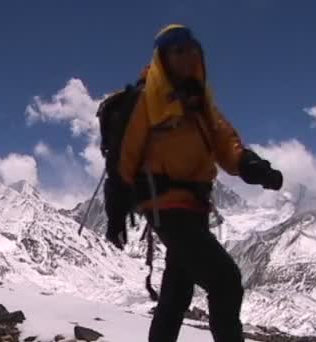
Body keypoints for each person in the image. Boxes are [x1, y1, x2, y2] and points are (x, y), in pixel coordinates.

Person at [119, 25, 283, 342]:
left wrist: (252, 166)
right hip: (166, 207)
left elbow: (225, 143)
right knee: (225, 281)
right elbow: (127, 154)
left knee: (176, 294)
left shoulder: (201, 103)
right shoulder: (146, 100)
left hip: (194, 208)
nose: (186, 55)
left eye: (190, 48)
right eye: (176, 49)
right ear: (163, 57)